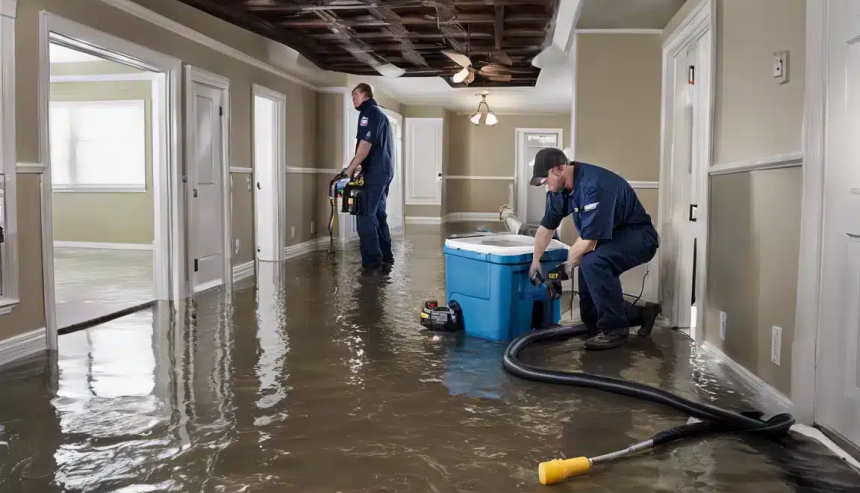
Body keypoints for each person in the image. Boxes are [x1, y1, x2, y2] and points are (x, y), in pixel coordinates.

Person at [527, 148, 662, 350]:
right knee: (590, 312)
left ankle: (615, 329)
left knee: (593, 261)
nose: (544, 183)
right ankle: (642, 314)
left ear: (559, 168)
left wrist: (560, 272)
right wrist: (535, 262)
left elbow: (588, 242)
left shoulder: (595, 185)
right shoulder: (558, 191)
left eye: (545, 178)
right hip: (609, 237)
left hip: (639, 237)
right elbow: (547, 228)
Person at [343, 83, 395, 269]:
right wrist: (360, 167)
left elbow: (365, 145)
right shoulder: (380, 114)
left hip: (376, 173)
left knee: (364, 215)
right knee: (378, 214)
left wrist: (350, 169)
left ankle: (372, 263)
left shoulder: (369, 113)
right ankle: (386, 256)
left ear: (364, 95)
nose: (353, 100)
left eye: (355, 96)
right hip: (384, 171)